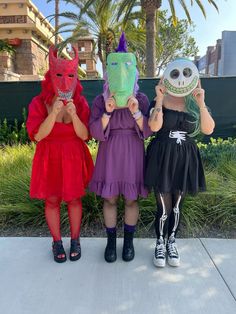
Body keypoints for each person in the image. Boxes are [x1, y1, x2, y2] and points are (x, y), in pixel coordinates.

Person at [145, 58, 215, 267]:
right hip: (162, 157)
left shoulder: (195, 103)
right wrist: (159, 99)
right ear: (168, 76)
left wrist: (201, 104)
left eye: (185, 74)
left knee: (176, 206)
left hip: (186, 159)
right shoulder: (160, 98)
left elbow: (208, 129)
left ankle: (171, 242)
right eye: (175, 74)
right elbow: (154, 127)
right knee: (164, 207)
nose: (181, 78)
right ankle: (160, 242)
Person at [26, 46, 94, 263]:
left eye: (71, 75)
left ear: (76, 78)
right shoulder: (38, 103)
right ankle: (56, 242)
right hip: (49, 156)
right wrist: (53, 113)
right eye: (59, 74)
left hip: (74, 155)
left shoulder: (80, 103)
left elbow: (85, 136)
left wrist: (74, 117)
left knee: (74, 200)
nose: (65, 80)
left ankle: (75, 240)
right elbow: (37, 136)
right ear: (50, 76)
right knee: (52, 200)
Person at [89, 33, 152, 263]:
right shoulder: (99, 101)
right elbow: (94, 132)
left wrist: (135, 111)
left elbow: (148, 131)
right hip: (110, 152)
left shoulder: (142, 99)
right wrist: (108, 111)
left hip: (133, 153)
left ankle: (128, 243)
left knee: (132, 200)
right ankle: (110, 243)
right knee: (110, 199)